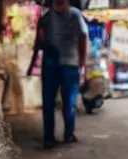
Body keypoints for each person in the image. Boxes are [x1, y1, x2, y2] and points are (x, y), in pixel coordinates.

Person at [27, 0, 88, 149]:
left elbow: (82, 38)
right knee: (63, 103)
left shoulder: (53, 16)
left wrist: (82, 64)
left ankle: (56, 136)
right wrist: (82, 65)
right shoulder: (55, 16)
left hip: (60, 65)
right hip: (61, 65)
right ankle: (62, 135)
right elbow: (83, 38)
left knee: (57, 103)